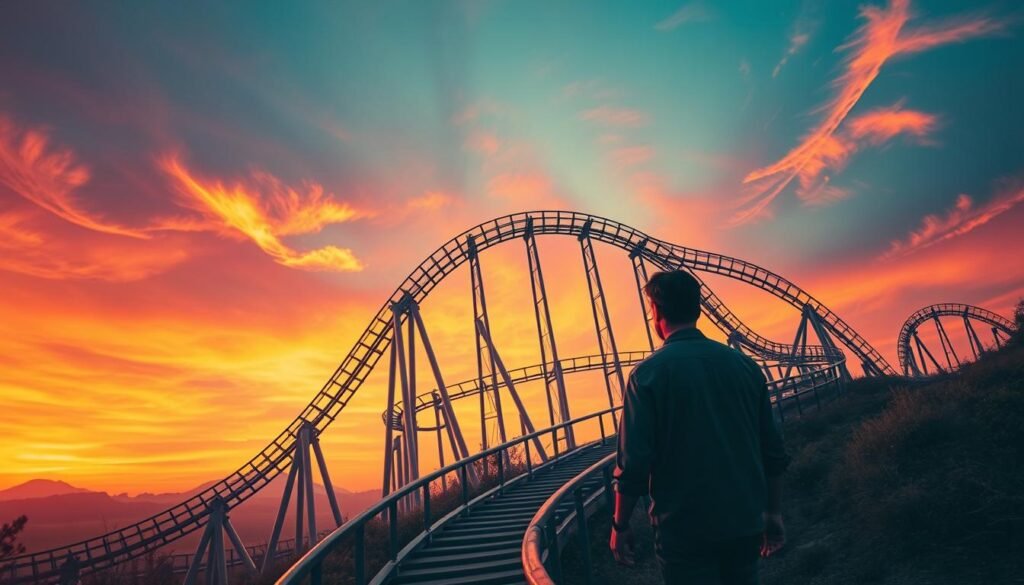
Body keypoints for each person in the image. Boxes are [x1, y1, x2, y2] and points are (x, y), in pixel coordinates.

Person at [609, 270, 790, 584]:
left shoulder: (647, 375)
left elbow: (634, 463)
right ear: (698, 308)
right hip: (743, 521)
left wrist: (620, 525)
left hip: (682, 528)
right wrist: (773, 512)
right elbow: (772, 451)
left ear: (655, 310)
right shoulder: (745, 367)